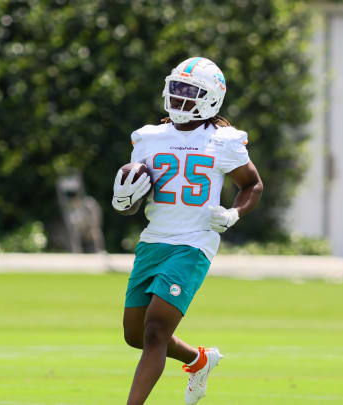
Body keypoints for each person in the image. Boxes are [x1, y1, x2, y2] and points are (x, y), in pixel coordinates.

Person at [111, 57, 264, 405]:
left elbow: (252, 185)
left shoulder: (223, 141)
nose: (180, 98)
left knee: (155, 332)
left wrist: (234, 213)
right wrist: (125, 201)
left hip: (193, 245)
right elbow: (139, 198)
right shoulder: (148, 138)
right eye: (176, 89)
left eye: (190, 92)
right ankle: (199, 360)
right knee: (135, 334)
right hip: (153, 241)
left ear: (210, 98)